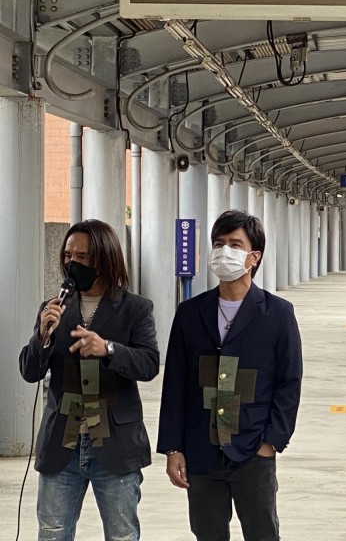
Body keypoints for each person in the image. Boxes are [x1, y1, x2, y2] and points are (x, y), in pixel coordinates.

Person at [158, 209, 303, 541]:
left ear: (254, 256)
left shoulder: (278, 314)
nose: (225, 251)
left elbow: (289, 382)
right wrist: (173, 447)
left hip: (253, 448)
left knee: (262, 532)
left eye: (235, 245)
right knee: (207, 532)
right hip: (201, 449)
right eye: (218, 243)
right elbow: (175, 384)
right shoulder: (190, 313)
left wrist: (271, 441)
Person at [19, 219, 160, 541]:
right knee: (52, 533)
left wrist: (108, 349)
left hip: (115, 445)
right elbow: (29, 371)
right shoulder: (54, 307)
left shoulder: (135, 308)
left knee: (122, 535)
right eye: (68, 256)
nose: (73, 263)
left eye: (82, 257)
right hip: (61, 444)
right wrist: (42, 337)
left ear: (104, 259)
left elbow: (149, 364)